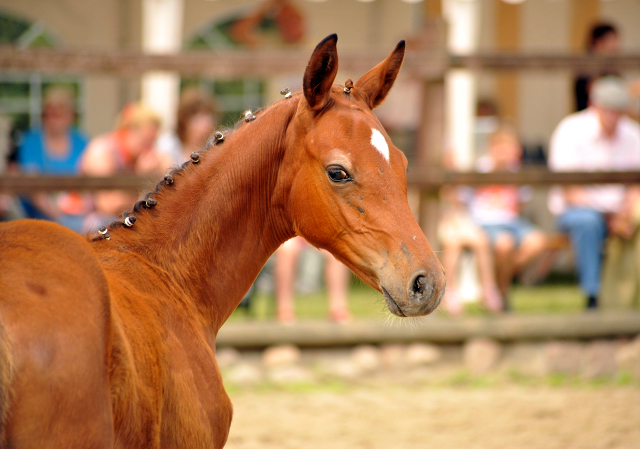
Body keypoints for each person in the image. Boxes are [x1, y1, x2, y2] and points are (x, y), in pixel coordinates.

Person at [548, 76, 640, 309]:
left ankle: (628, 297)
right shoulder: (571, 130)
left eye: (618, 110)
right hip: (578, 210)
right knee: (588, 223)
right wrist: (609, 217)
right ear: (595, 105)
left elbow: (635, 184)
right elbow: (570, 191)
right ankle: (593, 296)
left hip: (621, 213)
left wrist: (624, 213)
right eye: (609, 109)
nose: (613, 116)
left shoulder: (632, 134)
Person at [466, 126, 547, 309]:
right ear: (492, 147)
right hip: (486, 222)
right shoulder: (481, 169)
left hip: (511, 221)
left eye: (509, 147)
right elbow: (464, 196)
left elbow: (521, 204)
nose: (505, 153)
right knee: (505, 244)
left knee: (538, 242)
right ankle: (502, 293)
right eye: (501, 147)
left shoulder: (519, 172)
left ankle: (498, 277)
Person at [81, 102, 168, 232]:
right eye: (146, 141)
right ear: (129, 131)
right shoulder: (102, 151)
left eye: (153, 142)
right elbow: (108, 207)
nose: (150, 148)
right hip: (80, 219)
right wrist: (140, 178)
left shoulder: (142, 157)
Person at [16, 86, 90, 233]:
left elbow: (89, 184)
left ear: (71, 114)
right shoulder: (31, 141)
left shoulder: (82, 142)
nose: (55, 115)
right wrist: (60, 218)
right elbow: (33, 187)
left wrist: (84, 210)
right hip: (40, 214)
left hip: (77, 211)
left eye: (61, 110)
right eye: (51, 111)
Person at [438, 186, 503, 315]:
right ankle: (449, 291)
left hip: (461, 221)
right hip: (442, 221)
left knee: (481, 240)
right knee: (452, 243)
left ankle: (488, 289)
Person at [274, 237, 351, 324]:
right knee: (287, 250)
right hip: (291, 233)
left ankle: (338, 309)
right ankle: (284, 309)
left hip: (314, 232)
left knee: (337, 250)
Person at [157, 88, 217, 166]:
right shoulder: (168, 145)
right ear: (185, 119)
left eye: (208, 118)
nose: (205, 124)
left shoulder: (212, 147)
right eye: (199, 118)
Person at [574, 22, 621, 112]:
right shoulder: (586, 68)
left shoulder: (612, 69)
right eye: (611, 40)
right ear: (598, 43)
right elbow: (602, 91)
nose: (615, 45)